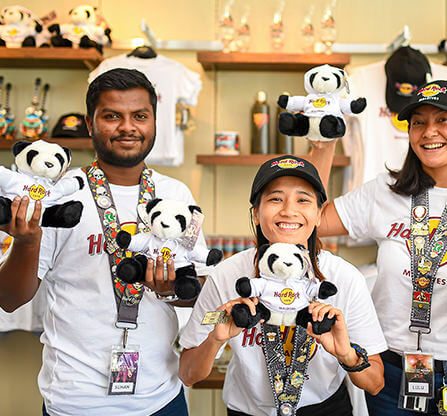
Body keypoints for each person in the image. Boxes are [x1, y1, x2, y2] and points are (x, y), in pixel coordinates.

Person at [0, 68, 208, 415]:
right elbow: (9, 299)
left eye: (140, 116)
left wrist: (171, 289)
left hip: (161, 396)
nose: (127, 127)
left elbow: (198, 290)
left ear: (154, 121)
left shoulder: (178, 194)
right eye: (112, 116)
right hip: (75, 400)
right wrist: (27, 241)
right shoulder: (57, 196)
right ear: (89, 123)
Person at [316, 80, 447, 415]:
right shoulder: (385, 191)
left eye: (443, 119)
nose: (429, 131)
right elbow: (308, 219)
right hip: (392, 376)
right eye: (418, 122)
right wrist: (323, 142)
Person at [178, 155, 387, 415]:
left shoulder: (344, 278)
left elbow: (375, 383)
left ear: (319, 215)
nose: (289, 210)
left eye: (303, 200)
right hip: (249, 411)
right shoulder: (227, 276)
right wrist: (214, 340)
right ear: (256, 214)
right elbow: (187, 374)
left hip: (325, 410)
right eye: (275, 199)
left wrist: (346, 354)